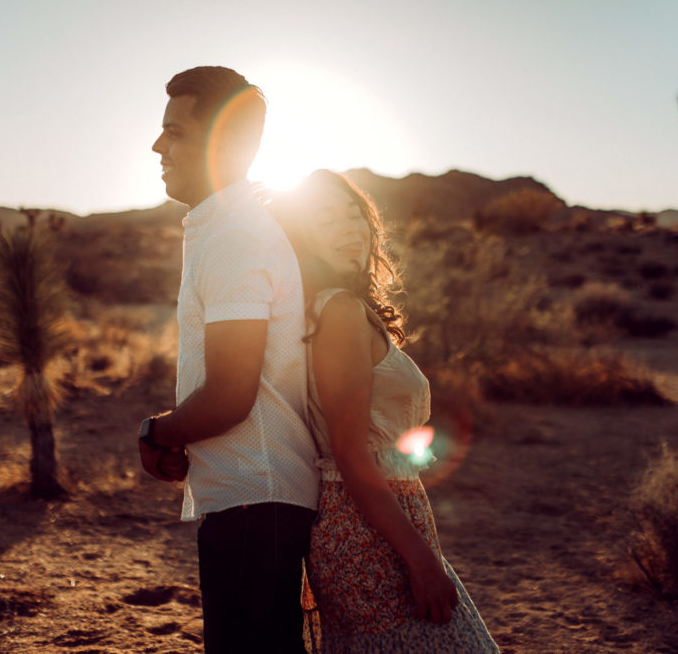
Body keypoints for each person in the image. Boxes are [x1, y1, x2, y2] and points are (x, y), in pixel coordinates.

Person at [270, 170, 499, 652]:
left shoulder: (341, 308)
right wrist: (421, 560)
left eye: (353, 213)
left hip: (378, 517)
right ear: (302, 237)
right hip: (364, 527)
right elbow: (350, 453)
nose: (348, 227)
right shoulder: (339, 312)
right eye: (325, 218)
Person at [138, 66, 320, 654]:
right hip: (254, 497)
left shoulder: (235, 237)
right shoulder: (225, 228)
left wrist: (157, 431)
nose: (158, 145)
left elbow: (231, 394)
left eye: (177, 132)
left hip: (254, 498)